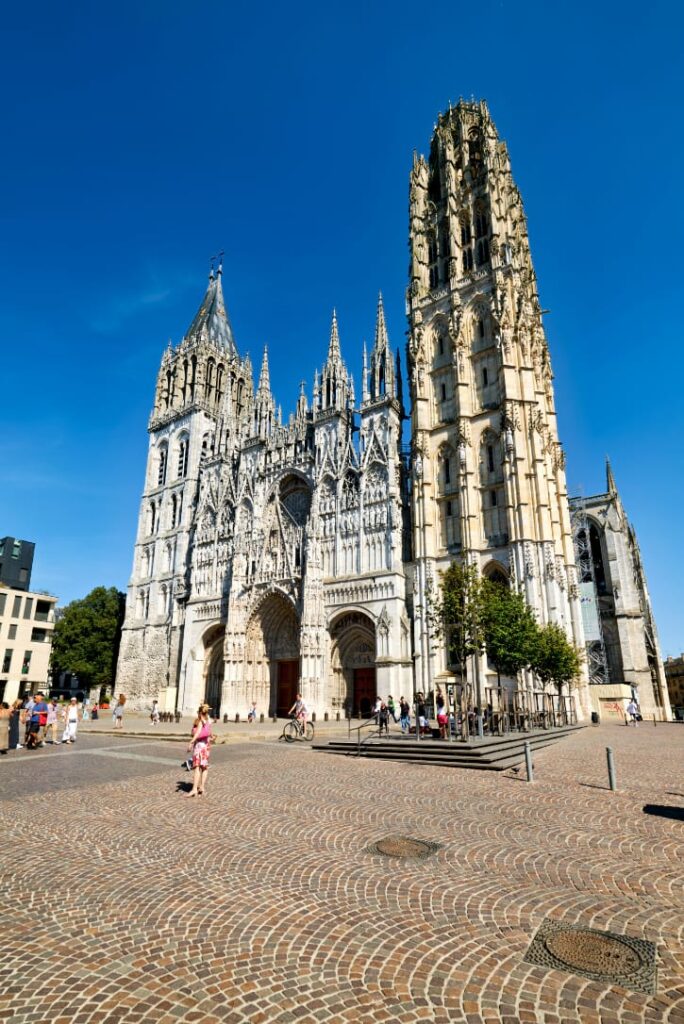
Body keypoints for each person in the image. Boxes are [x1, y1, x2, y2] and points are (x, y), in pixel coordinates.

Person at [185, 703, 213, 797]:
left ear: (200, 713)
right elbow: (210, 733)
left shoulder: (201, 722)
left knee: (197, 767)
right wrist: (212, 737)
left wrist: (191, 742)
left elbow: (197, 734)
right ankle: (202, 787)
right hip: (206, 747)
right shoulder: (209, 721)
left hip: (200, 747)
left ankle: (194, 789)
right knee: (204, 767)